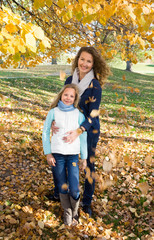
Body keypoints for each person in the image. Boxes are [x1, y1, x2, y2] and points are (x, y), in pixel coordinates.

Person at [48, 46, 111, 216]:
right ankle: (58, 191)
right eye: (82, 59)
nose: (84, 63)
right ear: (77, 60)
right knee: (60, 159)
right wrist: (54, 120)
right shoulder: (69, 79)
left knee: (87, 164)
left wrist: (79, 130)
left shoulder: (95, 85)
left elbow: (93, 113)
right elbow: (61, 102)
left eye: (89, 61)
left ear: (93, 64)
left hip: (88, 130)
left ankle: (87, 201)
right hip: (67, 126)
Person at [42, 84, 87, 226]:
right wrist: (48, 153)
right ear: (61, 95)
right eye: (66, 94)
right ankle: (67, 212)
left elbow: (83, 137)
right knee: (62, 186)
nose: (68, 98)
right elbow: (45, 132)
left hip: (73, 156)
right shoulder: (53, 113)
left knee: (74, 188)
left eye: (71, 96)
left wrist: (84, 157)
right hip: (57, 155)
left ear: (75, 99)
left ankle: (75, 212)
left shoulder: (78, 115)